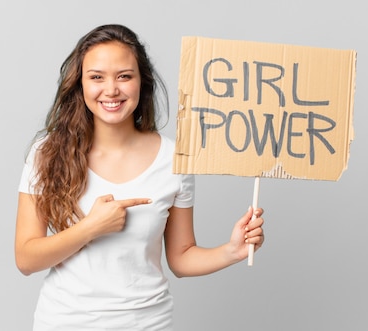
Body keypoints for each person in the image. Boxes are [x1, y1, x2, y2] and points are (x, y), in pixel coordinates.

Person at [15, 24, 265, 331]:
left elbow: (181, 257)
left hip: (147, 323)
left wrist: (232, 250)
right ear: (80, 85)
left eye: (124, 76)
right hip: (65, 322)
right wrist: (90, 228)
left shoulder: (175, 160)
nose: (111, 90)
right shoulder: (47, 152)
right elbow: (26, 258)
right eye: (97, 77)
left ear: (141, 82)